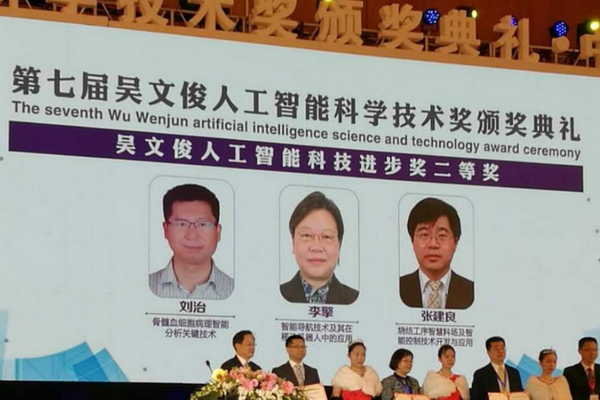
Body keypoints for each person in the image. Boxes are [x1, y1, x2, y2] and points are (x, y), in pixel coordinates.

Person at [149, 184, 234, 299]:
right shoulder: (143, 287)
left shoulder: (237, 291)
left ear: (218, 231)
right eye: (182, 224)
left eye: (202, 224)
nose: (192, 235)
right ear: (166, 230)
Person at [280, 191, 359, 305]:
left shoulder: (356, 301)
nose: (316, 247)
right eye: (307, 235)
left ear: (339, 245)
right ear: (293, 242)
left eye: (326, 236)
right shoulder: (274, 297)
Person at [399, 197, 474, 310]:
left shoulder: (472, 291)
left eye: (442, 235)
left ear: (455, 242)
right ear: (412, 241)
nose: (433, 244)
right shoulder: (396, 288)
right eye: (424, 234)